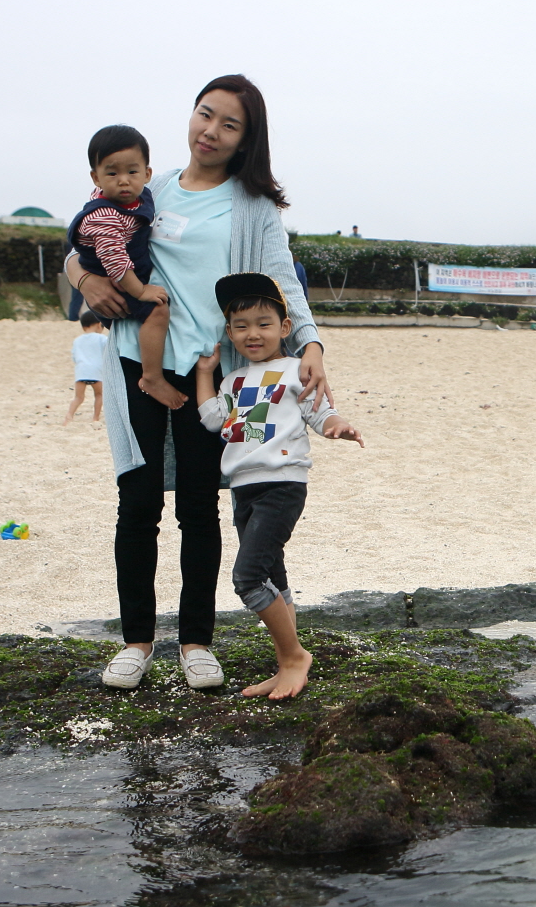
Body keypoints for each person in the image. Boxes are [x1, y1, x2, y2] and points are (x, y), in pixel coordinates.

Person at [68, 74, 329, 692]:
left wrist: (312, 342)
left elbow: (282, 281)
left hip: (209, 373)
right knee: (137, 504)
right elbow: (83, 242)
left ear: (245, 140)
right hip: (135, 360)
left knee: (198, 506)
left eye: (228, 124)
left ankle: (195, 643)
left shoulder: (252, 207)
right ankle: (136, 642)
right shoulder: (146, 186)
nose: (210, 131)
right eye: (205, 114)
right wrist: (84, 281)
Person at [196, 273, 363, 699]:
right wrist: (205, 373)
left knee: (248, 576)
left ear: (285, 327)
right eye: (241, 326)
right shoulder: (232, 381)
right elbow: (212, 418)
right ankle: (285, 661)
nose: (252, 333)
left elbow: (319, 411)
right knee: (272, 572)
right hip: (243, 488)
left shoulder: (294, 370)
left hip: (283, 483)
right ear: (229, 331)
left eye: (263, 323)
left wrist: (338, 425)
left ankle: (294, 657)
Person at [67, 125, 180, 409]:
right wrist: (140, 291)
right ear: (96, 178)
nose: (124, 181)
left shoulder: (139, 199)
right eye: (112, 173)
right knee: (157, 311)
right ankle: (151, 377)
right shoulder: (104, 216)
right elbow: (116, 264)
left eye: (132, 171)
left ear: (147, 173)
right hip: (116, 282)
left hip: (126, 274)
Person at [65, 312, 108, 425]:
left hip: (81, 371)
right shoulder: (102, 338)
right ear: (99, 325)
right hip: (97, 371)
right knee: (99, 395)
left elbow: (74, 356)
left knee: (79, 397)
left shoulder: (77, 340)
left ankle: (69, 415)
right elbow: (108, 352)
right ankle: (95, 418)